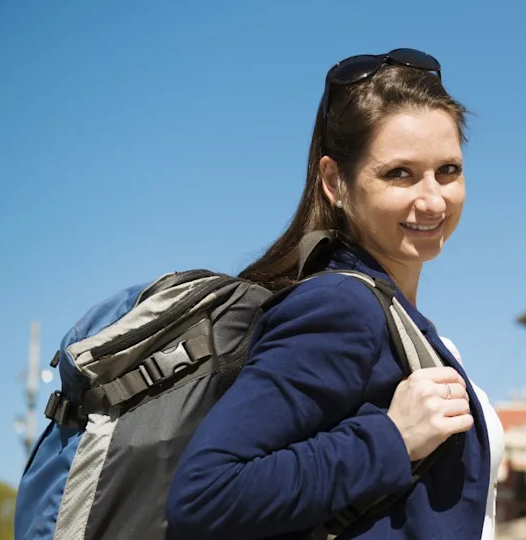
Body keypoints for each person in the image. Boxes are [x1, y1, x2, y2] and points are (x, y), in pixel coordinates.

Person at [165, 48, 504, 540]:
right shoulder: (341, 307)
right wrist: (391, 440)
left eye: (447, 170)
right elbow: (204, 492)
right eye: (399, 173)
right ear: (335, 182)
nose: (433, 199)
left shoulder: (395, 319)